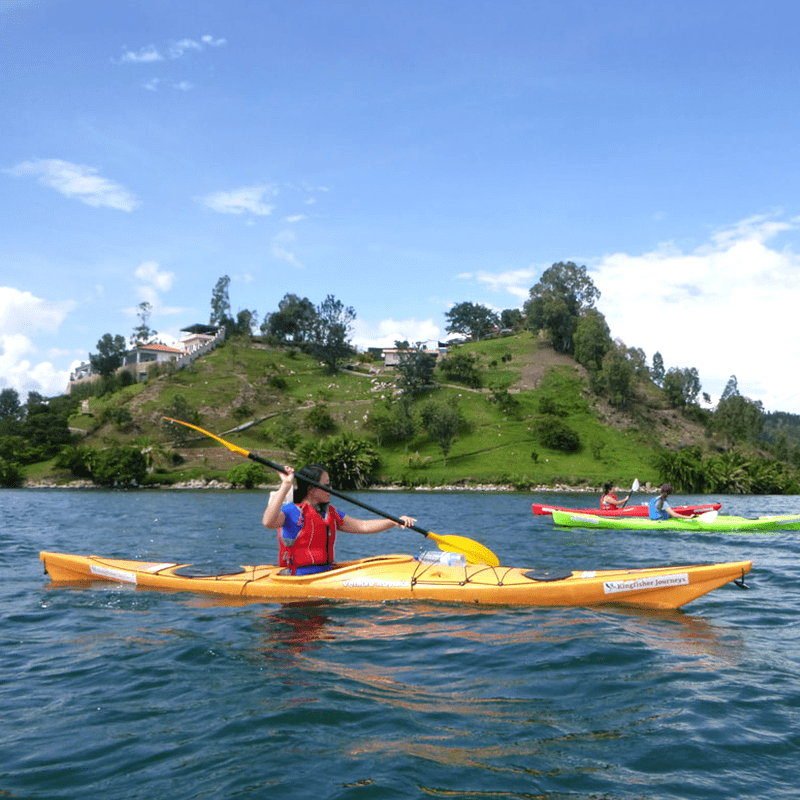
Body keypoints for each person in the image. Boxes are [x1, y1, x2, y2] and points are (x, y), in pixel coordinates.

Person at [262, 463, 417, 575]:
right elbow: (268, 522)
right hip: (298, 577)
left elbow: (362, 525)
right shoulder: (291, 511)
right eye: (326, 485)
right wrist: (286, 485)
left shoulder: (329, 512)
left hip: (326, 573)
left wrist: (394, 521)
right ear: (311, 489)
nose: (331, 490)